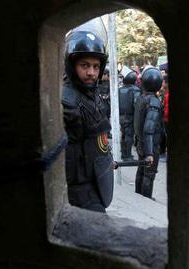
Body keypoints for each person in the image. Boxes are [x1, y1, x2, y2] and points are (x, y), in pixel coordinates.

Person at [61, 27, 114, 213]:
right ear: (72, 65)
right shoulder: (65, 102)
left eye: (96, 66)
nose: (92, 72)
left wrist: (105, 160)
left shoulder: (93, 94)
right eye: (85, 65)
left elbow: (99, 137)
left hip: (95, 182)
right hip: (78, 191)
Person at [134, 66, 164, 199]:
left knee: (141, 170)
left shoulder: (141, 98)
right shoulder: (154, 102)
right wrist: (150, 153)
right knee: (149, 174)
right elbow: (149, 128)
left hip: (141, 143)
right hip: (150, 145)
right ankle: (145, 199)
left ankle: (138, 196)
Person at [118, 71, 141, 161]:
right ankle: (127, 155)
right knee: (129, 136)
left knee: (123, 135)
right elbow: (137, 105)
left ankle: (124, 154)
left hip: (121, 116)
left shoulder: (119, 90)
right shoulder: (135, 90)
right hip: (131, 116)